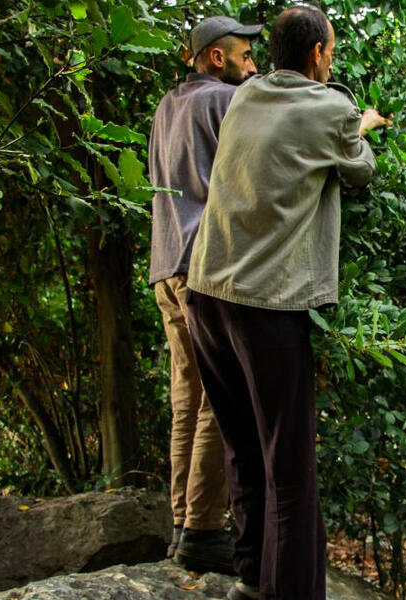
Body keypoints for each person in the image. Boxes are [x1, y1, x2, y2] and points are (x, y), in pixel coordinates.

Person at [185, 5, 390, 600]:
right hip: (265, 308)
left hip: (205, 294)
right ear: (319, 54)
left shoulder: (245, 96)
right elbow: (361, 170)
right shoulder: (332, 109)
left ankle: (251, 580)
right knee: (291, 471)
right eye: (331, 49)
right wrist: (363, 122)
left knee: (245, 449)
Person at [148, 14, 262, 574]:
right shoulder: (223, 102)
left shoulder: (165, 107)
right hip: (202, 268)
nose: (254, 64)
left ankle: (180, 522)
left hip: (164, 266)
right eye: (245, 54)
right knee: (223, 395)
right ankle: (201, 529)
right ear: (217, 58)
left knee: (187, 398)